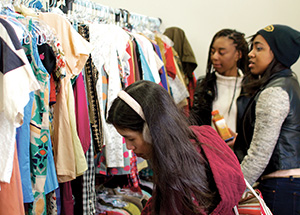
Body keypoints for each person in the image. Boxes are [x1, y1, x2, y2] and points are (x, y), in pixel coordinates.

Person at [107, 80, 245, 215]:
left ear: (151, 131)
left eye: (131, 138)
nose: (129, 146)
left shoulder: (178, 172)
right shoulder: (196, 139)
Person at [234, 24, 300, 215]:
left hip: (281, 188)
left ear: (278, 53)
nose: (251, 54)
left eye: (259, 48)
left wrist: (233, 189)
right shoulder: (289, 84)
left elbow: (259, 155)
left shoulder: (274, 92)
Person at [189, 29, 249, 141]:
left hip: (239, 155)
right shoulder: (205, 85)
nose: (215, 57)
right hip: (211, 152)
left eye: (221, 52)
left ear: (238, 55)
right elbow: (196, 122)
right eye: (212, 52)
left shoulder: (250, 87)